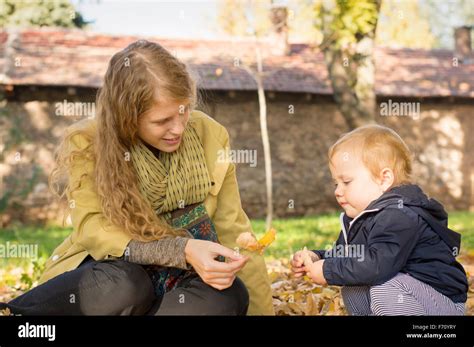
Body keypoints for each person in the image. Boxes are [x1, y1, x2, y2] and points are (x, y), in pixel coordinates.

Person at [1, 40, 274, 315]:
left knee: (231, 295)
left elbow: (234, 230)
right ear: (128, 116)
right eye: (162, 121)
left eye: (184, 112)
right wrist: (181, 250)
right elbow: (93, 229)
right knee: (128, 285)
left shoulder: (210, 135)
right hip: (110, 274)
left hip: (175, 283)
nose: (178, 128)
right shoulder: (88, 141)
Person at [291, 124, 468, 315]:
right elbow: (347, 257)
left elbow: (378, 265)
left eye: (346, 182)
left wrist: (328, 271)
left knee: (385, 286)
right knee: (354, 287)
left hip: (439, 302)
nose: (337, 191)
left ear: (384, 179)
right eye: (336, 183)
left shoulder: (400, 215)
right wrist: (318, 258)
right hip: (409, 293)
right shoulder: (363, 217)